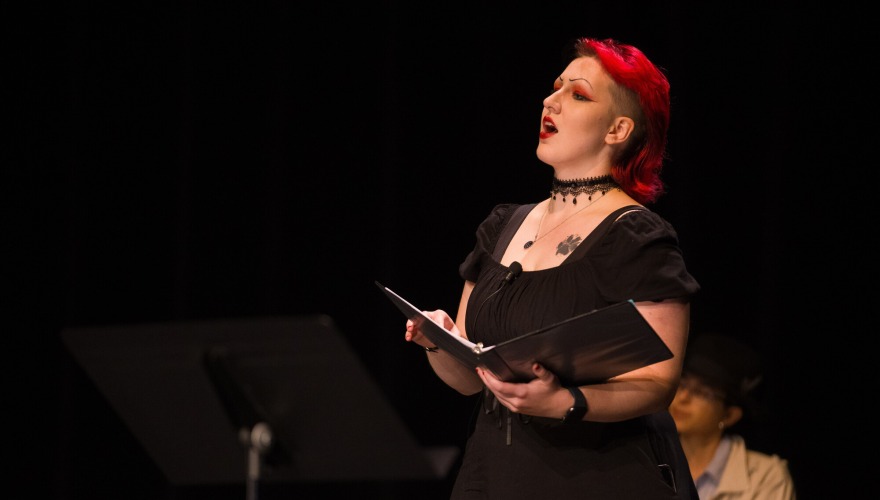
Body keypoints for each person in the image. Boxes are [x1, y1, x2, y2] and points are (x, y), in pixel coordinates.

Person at [403, 37, 701, 499]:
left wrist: (565, 401)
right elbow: (469, 381)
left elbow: (657, 384)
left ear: (618, 129)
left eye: (577, 94)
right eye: (555, 87)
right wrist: (440, 343)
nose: (551, 100)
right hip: (494, 479)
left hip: (596, 481)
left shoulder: (636, 237)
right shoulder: (503, 224)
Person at [669, 333, 796, 500]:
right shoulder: (651, 459)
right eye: (682, 384)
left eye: (701, 392)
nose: (683, 397)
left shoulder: (765, 477)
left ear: (729, 415)